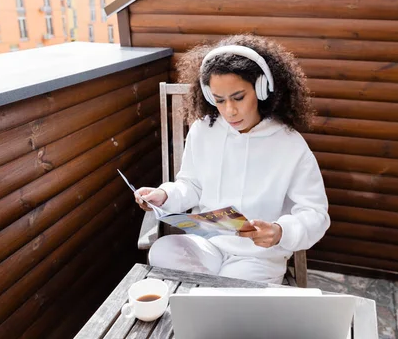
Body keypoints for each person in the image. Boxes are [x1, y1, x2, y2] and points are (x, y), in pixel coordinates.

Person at [134, 34, 330, 284]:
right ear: (207, 96)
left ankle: (211, 298)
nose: (230, 110)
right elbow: (191, 185)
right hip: (208, 246)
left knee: (226, 292)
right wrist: (165, 196)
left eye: (238, 97)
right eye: (219, 100)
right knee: (163, 250)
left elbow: (315, 213)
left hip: (258, 257)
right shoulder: (203, 130)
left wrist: (281, 232)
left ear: (261, 89)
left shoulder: (290, 145)